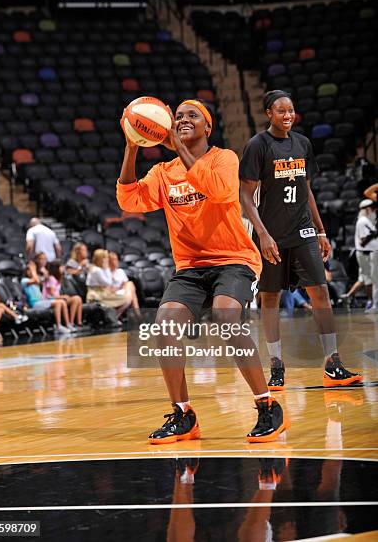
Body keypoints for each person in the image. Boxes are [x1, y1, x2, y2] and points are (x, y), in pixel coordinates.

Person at [117, 98, 287, 444]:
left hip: (234, 259)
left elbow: (221, 190)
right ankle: (184, 414)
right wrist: (132, 146)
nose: (182, 120)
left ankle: (266, 404)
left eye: (191, 116)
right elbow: (129, 200)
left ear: (207, 127)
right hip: (191, 268)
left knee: (226, 315)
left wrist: (176, 146)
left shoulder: (224, 159)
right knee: (164, 327)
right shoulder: (163, 173)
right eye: (177, 117)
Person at [240, 89, 362, 390]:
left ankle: (333, 363)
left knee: (320, 291)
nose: (287, 115)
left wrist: (320, 230)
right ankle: (277, 365)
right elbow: (245, 196)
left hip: (303, 230)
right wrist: (263, 235)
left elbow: (307, 191)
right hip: (271, 235)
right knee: (270, 298)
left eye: (290, 110)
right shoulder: (257, 146)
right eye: (280, 111)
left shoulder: (302, 144)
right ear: (269, 113)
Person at [21, 261, 70, 335]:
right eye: (28, 270)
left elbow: (42, 278)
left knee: (62, 302)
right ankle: (58, 326)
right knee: (59, 303)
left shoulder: (35, 279)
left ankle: (67, 324)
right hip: (35, 304)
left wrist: (36, 270)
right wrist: (33, 270)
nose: (30, 272)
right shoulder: (24, 280)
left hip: (42, 302)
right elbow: (36, 280)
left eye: (31, 270)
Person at [86, 249, 128, 317]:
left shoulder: (98, 269)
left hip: (101, 293)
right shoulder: (96, 270)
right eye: (105, 258)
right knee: (125, 298)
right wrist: (107, 268)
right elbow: (108, 282)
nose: (107, 260)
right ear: (101, 259)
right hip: (96, 295)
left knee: (125, 298)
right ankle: (113, 317)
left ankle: (113, 317)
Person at [43, 260, 83, 331]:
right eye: (61, 267)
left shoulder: (58, 278)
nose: (63, 268)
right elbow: (50, 295)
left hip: (58, 299)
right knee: (70, 300)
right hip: (50, 300)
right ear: (56, 268)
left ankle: (76, 322)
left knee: (77, 298)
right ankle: (68, 323)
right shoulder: (51, 278)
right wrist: (62, 296)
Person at [108, 252, 141, 318]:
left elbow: (125, 284)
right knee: (132, 291)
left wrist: (122, 287)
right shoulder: (107, 272)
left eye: (116, 259)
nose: (116, 261)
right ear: (109, 261)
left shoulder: (120, 271)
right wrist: (119, 288)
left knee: (130, 284)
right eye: (114, 260)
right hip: (113, 293)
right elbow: (108, 288)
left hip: (123, 291)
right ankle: (137, 315)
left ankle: (136, 314)